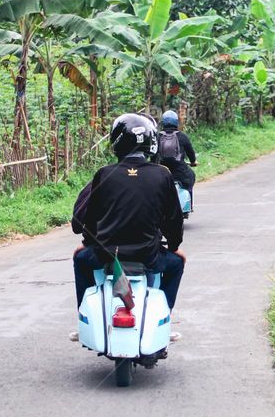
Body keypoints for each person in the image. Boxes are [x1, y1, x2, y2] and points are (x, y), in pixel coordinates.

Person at [71, 113, 186, 310]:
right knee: (177, 263)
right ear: (151, 142)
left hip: (106, 255)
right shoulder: (162, 175)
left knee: (80, 259)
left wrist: (87, 243)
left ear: (117, 141)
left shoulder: (105, 174)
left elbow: (90, 218)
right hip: (149, 256)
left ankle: (84, 312)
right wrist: (174, 246)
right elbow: (174, 220)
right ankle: (164, 312)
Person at [157, 110, 197, 200]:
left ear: (163, 122)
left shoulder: (157, 137)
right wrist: (193, 162)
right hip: (180, 171)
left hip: (161, 172)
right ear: (176, 122)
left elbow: (152, 155)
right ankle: (188, 205)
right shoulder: (182, 136)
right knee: (191, 176)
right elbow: (191, 153)